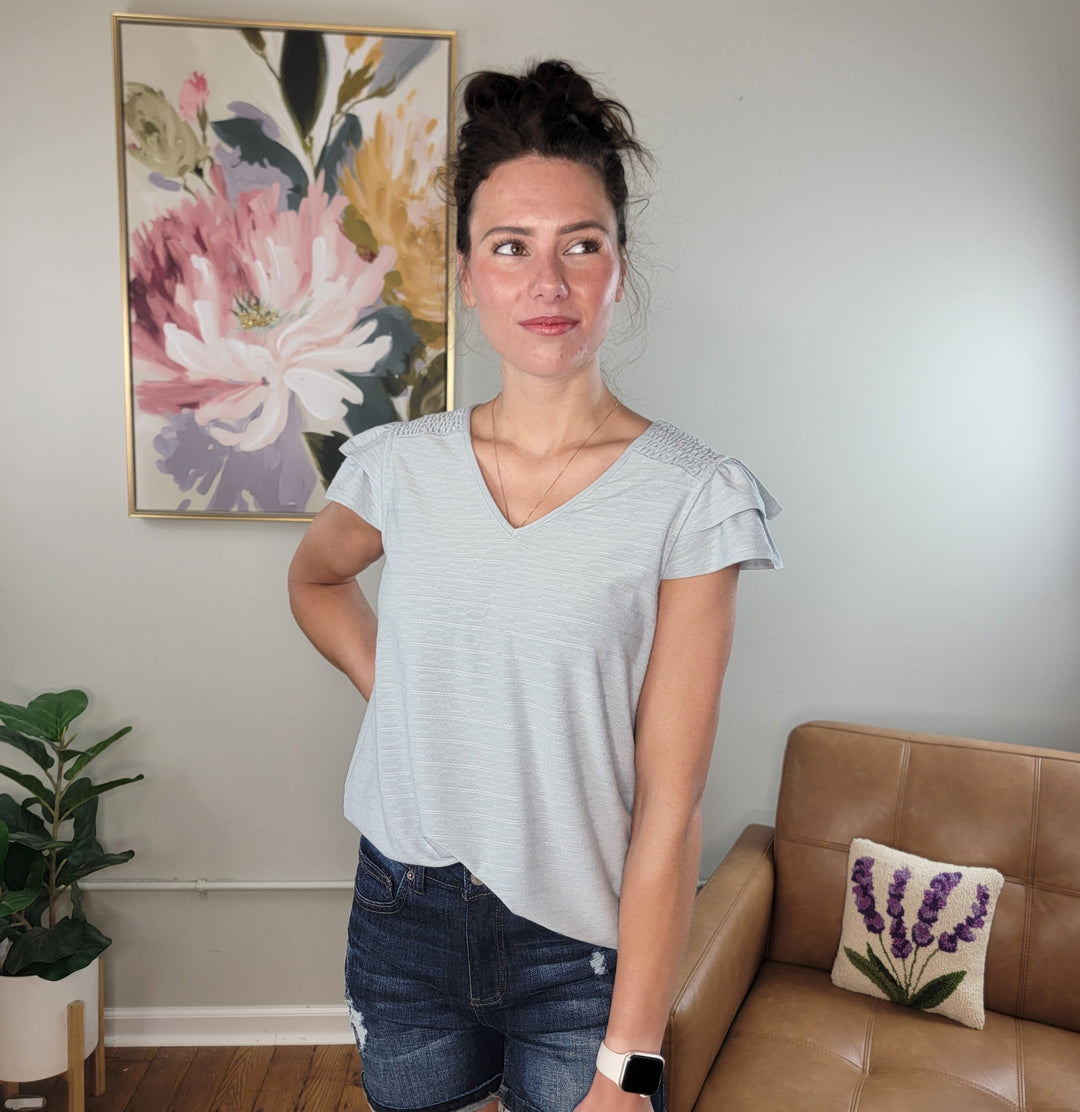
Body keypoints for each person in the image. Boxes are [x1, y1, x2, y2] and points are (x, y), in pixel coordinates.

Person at [288, 58, 781, 1112]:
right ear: (468, 272)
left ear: (618, 264)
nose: (546, 283)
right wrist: (407, 694)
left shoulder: (693, 499)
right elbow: (318, 581)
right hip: (403, 915)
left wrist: (629, 1061)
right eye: (511, 247)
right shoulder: (398, 466)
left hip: (583, 947)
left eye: (580, 245)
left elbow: (672, 806)